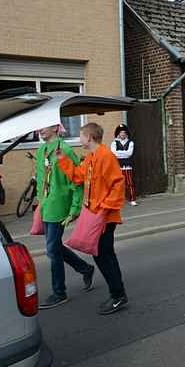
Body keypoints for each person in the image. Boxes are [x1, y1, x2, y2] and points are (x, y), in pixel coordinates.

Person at [57, 123, 129, 315]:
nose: (79, 140)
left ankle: (118, 296)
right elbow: (79, 177)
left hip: (104, 217)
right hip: (97, 215)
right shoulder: (91, 157)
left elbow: (118, 184)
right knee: (104, 255)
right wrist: (63, 161)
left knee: (103, 256)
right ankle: (118, 294)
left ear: (89, 138)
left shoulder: (105, 156)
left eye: (81, 136)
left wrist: (104, 209)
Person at [37, 125, 95, 309]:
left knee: (52, 250)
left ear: (55, 127)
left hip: (59, 207)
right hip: (47, 206)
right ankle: (85, 268)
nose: (39, 129)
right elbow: (41, 179)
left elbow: (77, 181)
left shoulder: (66, 150)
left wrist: (75, 209)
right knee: (55, 247)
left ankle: (59, 292)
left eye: (43, 126)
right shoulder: (42, 150)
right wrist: (39, 203)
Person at [111, 124, 137, 206]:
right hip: (118, 166)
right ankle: (118, 200)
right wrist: (123, 153)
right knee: (118, 184)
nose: (123, 134)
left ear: (126, 134)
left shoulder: (130, 142)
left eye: (124, 133)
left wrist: (119, 153)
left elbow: (129, 153)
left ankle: (132, 199)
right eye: (121, 133)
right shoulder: (114, 143)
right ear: (118, 134)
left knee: (129, 183)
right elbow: (113, 153)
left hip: (127, 166)